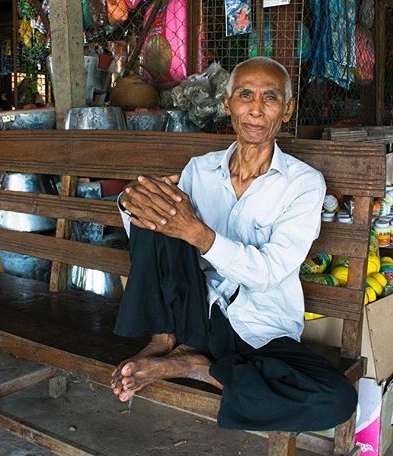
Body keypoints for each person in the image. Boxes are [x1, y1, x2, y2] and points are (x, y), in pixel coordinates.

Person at [111, 57, 357, 432]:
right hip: (192, 315)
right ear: (228, 105)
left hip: (260, 327)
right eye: (245, 95)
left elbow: (271, 271)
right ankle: (164, 338)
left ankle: (194, 366)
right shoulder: (200, 168)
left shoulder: (304, 183)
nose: (256, 108)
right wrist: (133, 200)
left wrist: (199, 234)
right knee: (158, 201)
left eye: (270, 97)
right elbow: (153, 239)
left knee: (336, 398)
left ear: (286, 110)